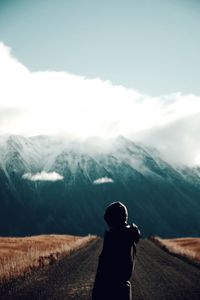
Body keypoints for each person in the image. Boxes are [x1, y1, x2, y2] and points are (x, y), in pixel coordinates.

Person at [92, 201, 141, 300]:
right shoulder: (129, 236)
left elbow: (103, 273)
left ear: (112, 220)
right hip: (124, 292)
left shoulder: (115, 239)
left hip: (110, 292)